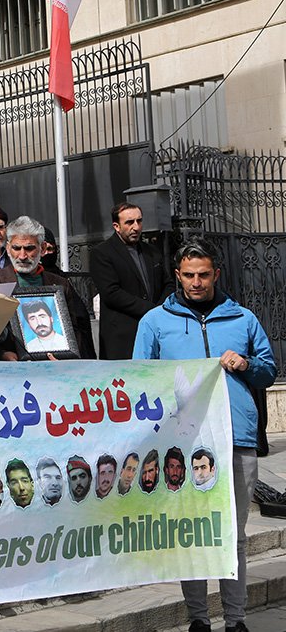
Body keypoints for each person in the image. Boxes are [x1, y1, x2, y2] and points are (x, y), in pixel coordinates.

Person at [134, 237, 276, 632]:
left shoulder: (243, 319)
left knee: (234, 533)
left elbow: (268, 371)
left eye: (204, 275)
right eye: (189, 275)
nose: (197, 282)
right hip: (183, 443)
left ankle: (236, 619)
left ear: (217, 273)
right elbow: (138, 380)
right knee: (190, 532)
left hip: (236, 438)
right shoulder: (154, 322)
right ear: (178, 276)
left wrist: (245, 363)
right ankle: (198, 618)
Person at [0, 216, 96, 359]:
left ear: (42, 248)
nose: (22, 255)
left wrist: (65, 354)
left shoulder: (60, 284)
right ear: (8, 248)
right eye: (16, 248)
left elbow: (75, 328)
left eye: (29, 248)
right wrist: (2, 354)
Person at [90, 202, 172, 360]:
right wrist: (151, 310)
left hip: (156, 332)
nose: (136, 227)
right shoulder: (102, 253)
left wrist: (160, 310)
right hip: (123, 337)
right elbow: (111, 293)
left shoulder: (152, 251)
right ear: (116, 226)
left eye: (139, 221)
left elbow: (167, 283)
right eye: (129, 222)